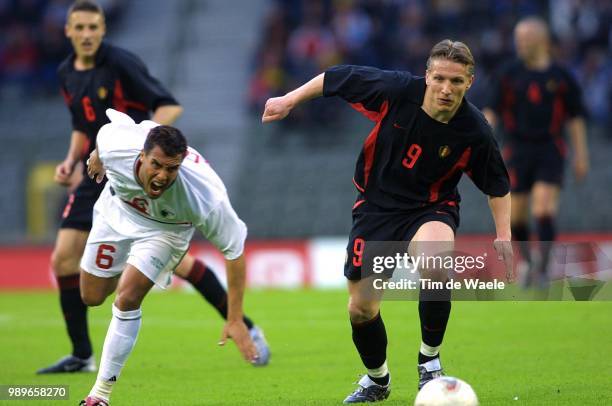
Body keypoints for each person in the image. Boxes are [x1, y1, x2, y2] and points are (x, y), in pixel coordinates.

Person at [262, 39, 513, 403]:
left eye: (456, 82)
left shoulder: (474, 129)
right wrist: (289, 99)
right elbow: (337, 77)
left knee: (435, 262)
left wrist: (503, 234)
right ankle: (377, 380)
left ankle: (429, 361)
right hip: (376, 208)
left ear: (469, 83)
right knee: (361, 308)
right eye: (440, 78)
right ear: (427, 76)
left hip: (431, 207)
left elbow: (497, 184)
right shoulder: (396, 89)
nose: (446, 89)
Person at [40, 0, 269, 374]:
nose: (86, 35)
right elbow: (84, 124)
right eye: (78, 28)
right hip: (103, 166)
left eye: (93, 28)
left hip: (140, 167)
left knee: (172, 257)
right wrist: (73, 158)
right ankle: (81, 353)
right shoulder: (67, 72)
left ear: (103, 30)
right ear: (68, 31)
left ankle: (243, 322)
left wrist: (150, 145)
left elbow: (168, 107)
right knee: (65, 260)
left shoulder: (120, 64)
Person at [79, 109, 258, 406]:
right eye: (156, 165)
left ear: (181, 164)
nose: (162, 176)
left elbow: (235, 252)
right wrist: (98, 155)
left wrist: (235, 318)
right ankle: (129, 262)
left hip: (166, 231)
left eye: (172, 169)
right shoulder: (116, 145)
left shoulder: (205, 197)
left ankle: (100, 395)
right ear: (141, 155)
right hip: (116, 212)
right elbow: (103, 137)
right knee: (91, 296)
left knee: (127, 298)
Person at [482, 17, 589, 288]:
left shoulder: (561, 77)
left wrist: (581, 154)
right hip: (516, 149)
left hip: (550, 148)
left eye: (526, 39)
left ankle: (542, 269)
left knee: (543, 207)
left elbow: (575, 118)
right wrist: (482, 137)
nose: (520, 44)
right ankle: (528, 261)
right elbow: (491, 110)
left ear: (542, 41)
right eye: (518, 39)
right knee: (517, 216)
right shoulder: (508, 73)